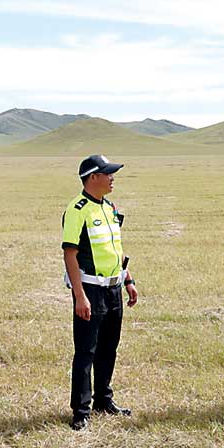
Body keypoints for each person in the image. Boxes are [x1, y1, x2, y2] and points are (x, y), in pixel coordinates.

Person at [62, 154, 139, 430]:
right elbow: (70, 255)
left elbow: (115, 248)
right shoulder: (77, 209)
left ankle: (103, 400)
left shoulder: (109, 207)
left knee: (109, 348)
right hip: (90, 291)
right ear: (93, 177)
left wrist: (128, 279)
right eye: (108, 173)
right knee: (86, 351)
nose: (112, 177)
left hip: (114, 289)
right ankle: (81, 410)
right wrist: (79, 296)